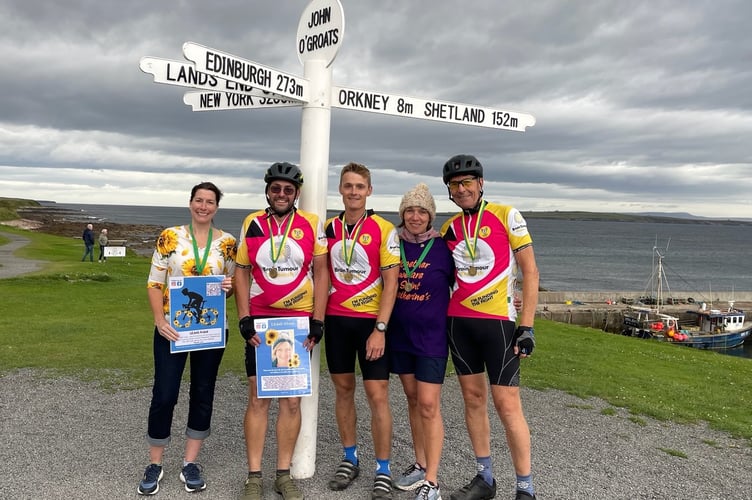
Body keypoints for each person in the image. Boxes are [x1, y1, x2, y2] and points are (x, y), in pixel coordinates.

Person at [440, 155, 540, 500]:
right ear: (450, 191)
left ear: (481, 184)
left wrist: (526, 326)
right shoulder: (449, 228)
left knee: (507, 404)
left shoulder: (506, 215)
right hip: (459, 323)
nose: (462, 188)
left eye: (468, 182)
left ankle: (525, 488)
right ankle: (485, 479)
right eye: (455, 184)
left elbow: (531, 272)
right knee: (472, 399)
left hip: (498, 323)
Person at [234, 162, 328, 500]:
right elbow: (242, 271)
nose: (282, 194)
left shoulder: (310, 224)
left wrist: (318, 319)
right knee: (258, 398)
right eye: (276, 188)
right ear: (268, 191)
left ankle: (283, 474)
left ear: (297, 193)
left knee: (291, 402)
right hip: (261, 323)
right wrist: (244, 317)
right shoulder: (253, 223)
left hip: (297, 324)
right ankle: (254, 476)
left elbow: (321, 272)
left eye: (289, 189)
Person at [138, 182, 237, 496]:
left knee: (203, 391)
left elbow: (231, 286)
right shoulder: (170, 236)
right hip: (173, 328)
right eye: (199, 200)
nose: (203, 206)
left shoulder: (229, 244)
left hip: (210, 329)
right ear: (190, 203)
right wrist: (159, 320)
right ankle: (155, 462)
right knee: (165, 393)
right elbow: (155, 283)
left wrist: (228, 288)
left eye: (210, 202)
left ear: (217, 207)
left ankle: (189, 462)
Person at [324, 162, 400, 500]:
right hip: (337, 321)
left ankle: (383, 468)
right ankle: (349, 457)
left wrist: (380, 329)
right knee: (343, 391)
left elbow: (392, 283)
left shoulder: (384, 229)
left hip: (371, 324)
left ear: (369, 191)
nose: (353, 192)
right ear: (340, 189)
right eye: (348, 186)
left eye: (359, 186)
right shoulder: (328, 228)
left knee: (377, 395)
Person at [389, 183, 454, 500]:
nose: (415, 216)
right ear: (402, 214)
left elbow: (472, 279)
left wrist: (513, 299)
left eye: (422, 211)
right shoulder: (392, 243)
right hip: (400, 337)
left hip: (432, 339)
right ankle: (420, 463)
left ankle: (432, 480)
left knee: (429, 404)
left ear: (431, 216)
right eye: (410, 210)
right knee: (413, 400)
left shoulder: (445, 248)